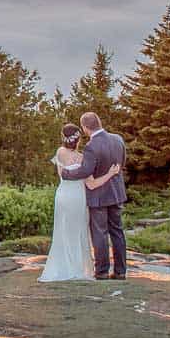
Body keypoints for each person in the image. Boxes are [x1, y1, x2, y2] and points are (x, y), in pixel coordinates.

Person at [40, 122, 121, 282]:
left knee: (62, 231)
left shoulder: (60, 152)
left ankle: (62, 267)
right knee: (79, 232)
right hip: (78, 198)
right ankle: (78, 268)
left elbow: (62, 174)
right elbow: (92, 184)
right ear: (78, 140)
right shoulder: (83, 157)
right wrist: (110, 174)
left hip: (63, 195)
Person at [58, 111, 129, 280]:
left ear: (85, 127)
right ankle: (120, 271)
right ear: (99, 122)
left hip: (98, 195)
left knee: (99, 233)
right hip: (116, 192)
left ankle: (102, 271)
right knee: (117, 231)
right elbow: (122, 162)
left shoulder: (91, 146)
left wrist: (66, 175)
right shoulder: (118, 139)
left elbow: (86, 171)